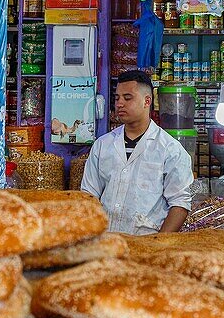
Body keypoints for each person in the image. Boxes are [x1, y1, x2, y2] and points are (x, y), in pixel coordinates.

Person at [81, 69, 194, 235]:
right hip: (105, 240)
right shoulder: (102, 145)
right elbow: (88, 196)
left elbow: (180, 204)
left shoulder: (170, 150)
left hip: (147, 242)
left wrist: (158, 246)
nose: (119, 103)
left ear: (147, 101)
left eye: (128, 98)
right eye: (117, 98)